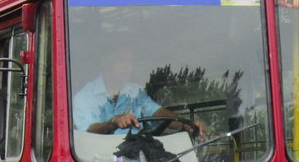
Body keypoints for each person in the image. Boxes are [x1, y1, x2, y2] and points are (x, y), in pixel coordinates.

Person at [73, 46, 206, 138]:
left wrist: (185, 124)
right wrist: (113, 122)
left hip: (135, 161)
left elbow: (156, 112)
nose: (127, 66)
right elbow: (89, 130)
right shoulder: (84, 97)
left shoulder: (134, 91)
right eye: (121, 60)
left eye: (130, 61)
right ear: (104, 61)